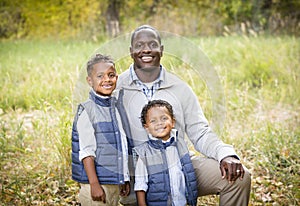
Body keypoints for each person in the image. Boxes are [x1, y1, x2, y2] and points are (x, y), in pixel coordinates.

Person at [117, 25, 251, 206]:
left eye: (152, 44)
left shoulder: (179, 88)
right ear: (131, 51)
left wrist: (225, 154)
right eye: (139, 45)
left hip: (178, 166)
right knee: (98, 190)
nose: (146, 49)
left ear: (161, 50)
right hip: (135, 175)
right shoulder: (116, 87)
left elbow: (200, 132)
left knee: (239, 177)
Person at [71, 53, 130, 205]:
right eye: (100, 76)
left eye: (111, 75)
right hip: (97, 185)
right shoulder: (87, 110)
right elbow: (86, 152)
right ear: (90, 81)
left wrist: (124, 178)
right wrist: (94, 184)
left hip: (113, 183)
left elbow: (121, 145)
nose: (107, 80)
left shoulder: (116, 107)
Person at [134, 100, 198, 206]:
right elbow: (140, 185)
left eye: (164, 118)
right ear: (147, 127)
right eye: (153, 121)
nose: (159, 123)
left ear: (172, 122)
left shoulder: (180, 146)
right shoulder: (144, 153)